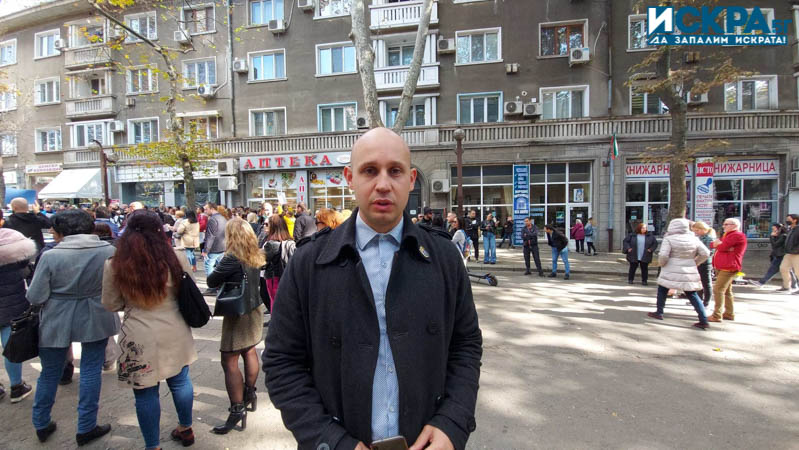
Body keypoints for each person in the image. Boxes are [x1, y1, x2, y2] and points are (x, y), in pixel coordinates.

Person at [264, 128, 482, 450]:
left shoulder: (444, 258)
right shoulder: (308, 263)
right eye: (369, 170)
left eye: (395, 171)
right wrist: (331, 441)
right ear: (350, 178)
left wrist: (451, 423)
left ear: (411, 179)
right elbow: (282, 363)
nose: (383, 184)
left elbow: (466, 346)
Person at [101, 211, 197, 449]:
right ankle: (186, 428)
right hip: (174, 328)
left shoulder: (115, 264)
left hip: (138, 333)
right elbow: (189, 290)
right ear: (159, 230)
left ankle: (152, 445)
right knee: (180, 381)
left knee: (144, 392)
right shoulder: (176, 257)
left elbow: (111, 304)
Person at [27, 210, 120, 445]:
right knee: (91, 370)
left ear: (62, 230)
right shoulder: (108, 251)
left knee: (50, 372)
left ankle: (41, 422)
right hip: (97, 313)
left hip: (57, 315)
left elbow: (35, 295)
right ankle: (86, 426)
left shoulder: (50, 256)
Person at [206, 218, 266, 435]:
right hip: (253, 308)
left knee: (229, 359)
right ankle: (250, 394)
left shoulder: (232, 257)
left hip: (238, 311)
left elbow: (211, 281)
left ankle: (237, 409)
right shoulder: (256, 253)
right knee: (249, 350)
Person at [646, 218, 711, 329]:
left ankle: (659, 312)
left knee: (662, 290)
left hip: (670, 268)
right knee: (692, 294)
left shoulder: (669, 239)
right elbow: (705, 253)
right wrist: (695, 262)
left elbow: (663, 255)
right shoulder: (693, 239)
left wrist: (662, 264)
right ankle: (703, 319)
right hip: (688, 269)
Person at [0, 214, 37, 403]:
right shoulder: (11, 240)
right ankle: (16, 385)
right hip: (12, 302)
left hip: (12, 301)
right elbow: (26, 268)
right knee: (11, 343)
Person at [709, 218, 747, 322]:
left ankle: (717, 315)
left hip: (729, 266)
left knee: (718, 290)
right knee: (726, 291)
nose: (723, 226)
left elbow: (722, 247)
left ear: (734, 225)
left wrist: (719, 245)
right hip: (722, 266)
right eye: (724, 224)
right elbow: (713, 245)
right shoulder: (728, 235)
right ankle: (729, 313)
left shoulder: (737, 235)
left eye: (726, 224)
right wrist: (719, 245)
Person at [263, 214, 296, 311]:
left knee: (275, 305)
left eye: (266, 224)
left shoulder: (270, 244)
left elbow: (261, 263)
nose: (264, 226)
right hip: (287, 277)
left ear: (273, 227)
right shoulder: (290, 242)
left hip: (274, 278)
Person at [753, 223, 795, 288]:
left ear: (779, 229)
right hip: (779, 255)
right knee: (786, 270)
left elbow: (775, 245)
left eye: (774, 229)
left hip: (781, 255)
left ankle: (761, 282)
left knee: (773, 269)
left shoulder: (783, 236)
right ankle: (794, 285)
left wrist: (772, 236)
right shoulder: (779, 235)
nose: (773, 231)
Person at [202, 202, 228, 293]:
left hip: (214, 248)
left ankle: (212, 287)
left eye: (206, 209)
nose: (205, 211)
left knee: (209, 266)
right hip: (222, 247)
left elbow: (210, 236)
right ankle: (220, 285)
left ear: (212, 209)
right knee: (220, 267)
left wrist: (206, 250)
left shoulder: (212, 219)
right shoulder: (223, 218)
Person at [691, 221, 716, 306]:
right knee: (699, 282)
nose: (696, 232)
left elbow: (709, 252)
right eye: (694, 231)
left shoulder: (709, 238)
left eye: (697, 230)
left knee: (706, 283)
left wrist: (698, 258)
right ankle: (699, 299)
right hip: (699, 261)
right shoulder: (700, 237)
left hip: (705, 262)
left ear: (703, 229)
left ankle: (706, 301)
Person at [779, 214, 799, 293]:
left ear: (795, 220)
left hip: (796, 254)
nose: (787, 221)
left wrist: (796, 250)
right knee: (783, 268)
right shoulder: (791, 229)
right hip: (788, 253)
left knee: (798, 271)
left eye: (789, 219)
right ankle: (786, 286)